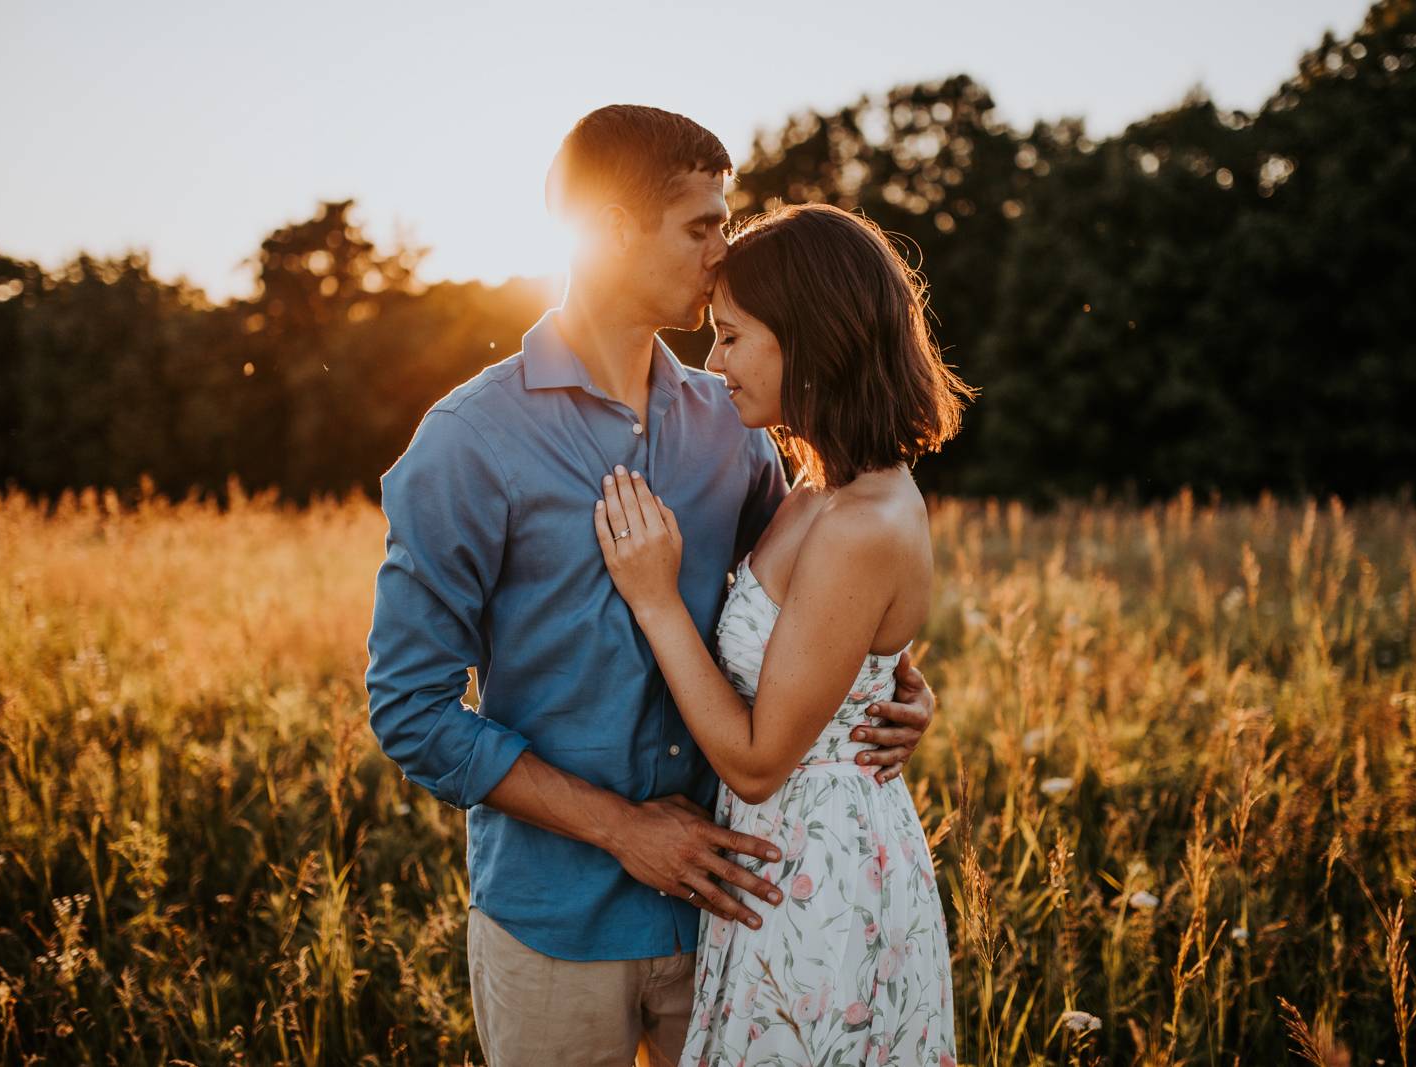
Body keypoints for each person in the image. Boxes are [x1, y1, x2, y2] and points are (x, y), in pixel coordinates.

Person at [363, 105, 938, 1067]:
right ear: (615, 232)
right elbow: (410, 711)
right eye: (702, 225)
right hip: (555, 925)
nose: (724, 251)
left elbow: (806, 599)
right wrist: (622, 830)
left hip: (736, 916)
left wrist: (892, 682)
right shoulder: (468, 441)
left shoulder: (736, 424)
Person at [592, 203, 971, 1066]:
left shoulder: (861, 520)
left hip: (819, 878)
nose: (712, 361)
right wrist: (901, 683)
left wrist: (655, 599)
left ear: (808, 338)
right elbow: (844, 656)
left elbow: (760, 764)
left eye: (732, 337)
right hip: (781, 865)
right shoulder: (812, 486)